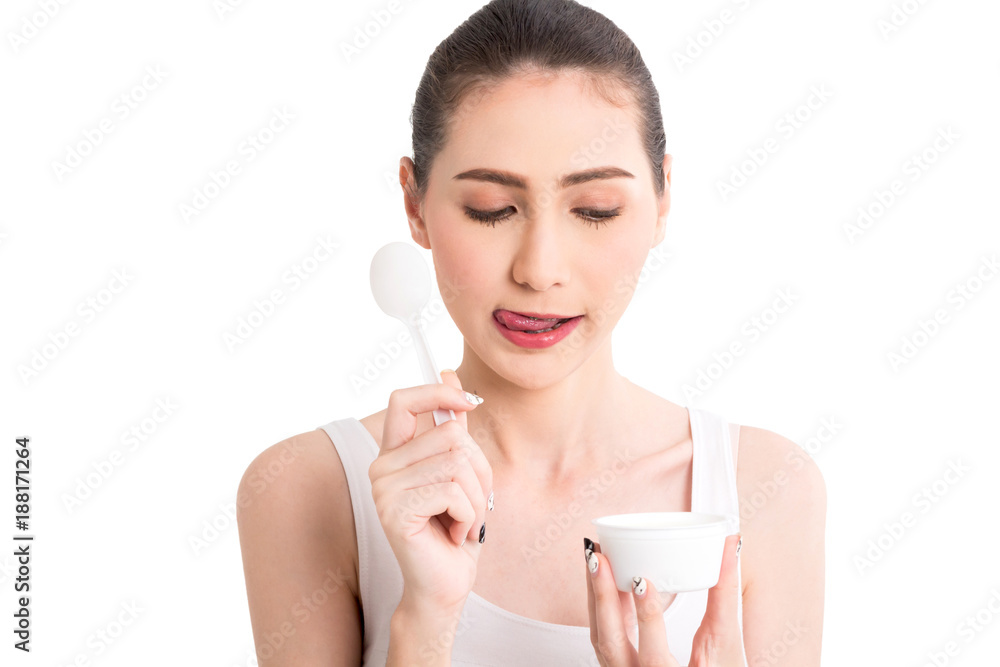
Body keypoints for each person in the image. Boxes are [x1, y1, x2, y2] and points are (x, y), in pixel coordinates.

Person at [236, 1, 826, 665]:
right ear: (414, 203)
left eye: (595, 210)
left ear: (662, 199)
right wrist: (425, 618)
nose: (540, 270)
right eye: (491, 210)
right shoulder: (308, 490)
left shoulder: (767, 488)